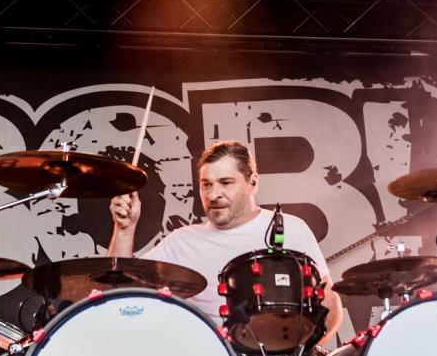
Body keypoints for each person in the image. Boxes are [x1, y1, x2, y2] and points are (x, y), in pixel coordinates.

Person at [107, 140, 342, 344]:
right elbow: (118, 289)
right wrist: (124, 229)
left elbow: (330, 304)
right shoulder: (183, 241)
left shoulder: (292, 229)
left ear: (253, 182)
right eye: (206, 184)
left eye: (226, 182)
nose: (213, 195)